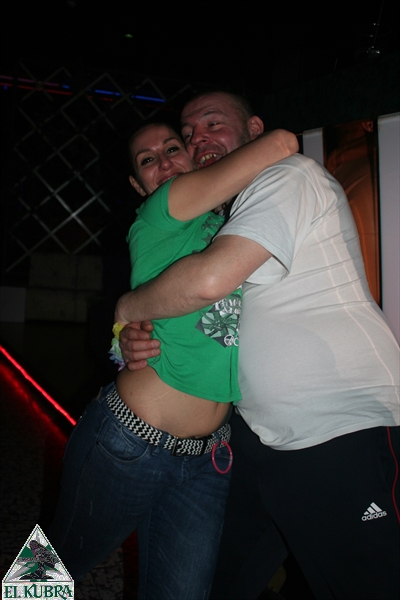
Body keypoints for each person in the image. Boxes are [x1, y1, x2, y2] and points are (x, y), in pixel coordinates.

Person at [117, 91, 400, 600]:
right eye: (189, 134)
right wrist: (125, 338)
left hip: (338, 430)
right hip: (157, 436)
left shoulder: (287, 177)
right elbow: (187, 314)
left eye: (213, 124)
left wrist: (125, 311)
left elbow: (206, 283)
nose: (198, 140)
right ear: (138, 186)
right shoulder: (200, 224)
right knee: (74, 543)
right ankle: (25, 591)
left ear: (254, 131)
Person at [47, 119, 298, 600]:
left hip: (209, 459)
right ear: (138, 184)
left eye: (172, 149)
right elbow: (283, 144)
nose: (163, 163)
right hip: (128, 443)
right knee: (56, 562)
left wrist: (121, 333)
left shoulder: (229, 223)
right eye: (148, 160)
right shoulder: (160, 211)